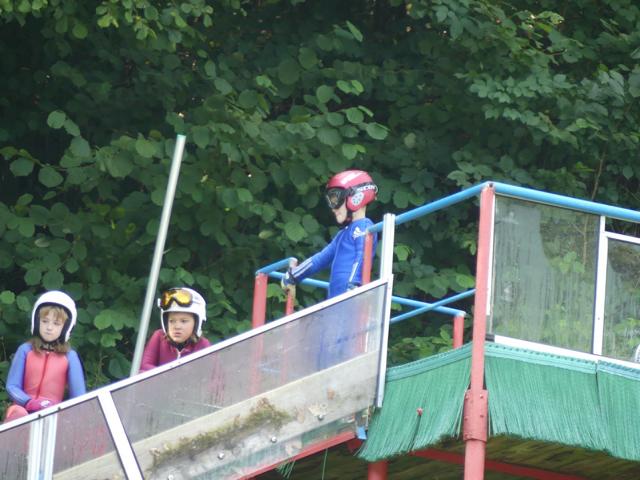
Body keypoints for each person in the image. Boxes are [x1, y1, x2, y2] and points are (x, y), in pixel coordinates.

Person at [281, 169, 378, 298]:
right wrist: (293, 275)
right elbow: (321, 259)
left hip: (351, 297)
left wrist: (353, 285)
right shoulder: (342, 235)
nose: (333, 208)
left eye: (336, 200)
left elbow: (362, 256)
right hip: (337, 300)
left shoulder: (364, 226)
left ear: (356, 196)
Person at [4, 290, 86, 423]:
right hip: (22, 409)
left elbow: (79, 397)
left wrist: (60, 411)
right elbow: (12, 386)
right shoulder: (25, 350)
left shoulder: (70, 357)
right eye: (45, 321)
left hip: (53, 414)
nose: (49, 327)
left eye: (56, 323)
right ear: (37, 322)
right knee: (18, 413)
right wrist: (29, 402)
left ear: (66, 327)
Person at [140, 287, 211, 372]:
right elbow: (144, 366)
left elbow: (212, 374)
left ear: (196, 323)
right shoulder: (159, 336)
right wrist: (169, 376)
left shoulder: (203, 345)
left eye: (184, 321)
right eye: (172, 321)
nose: (177, 326)